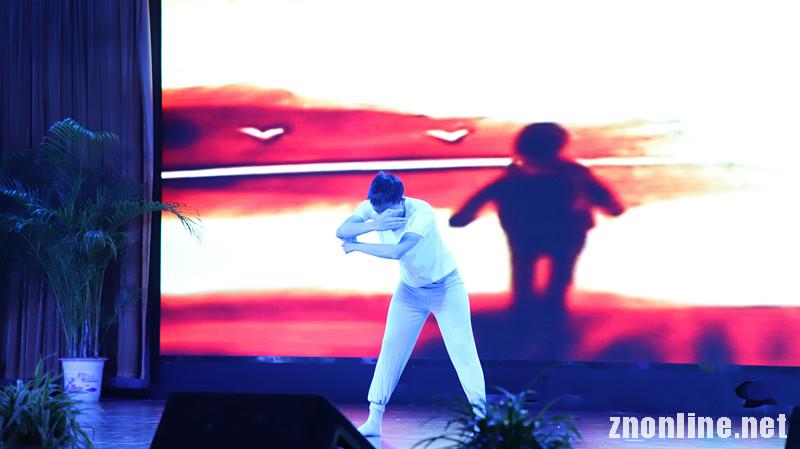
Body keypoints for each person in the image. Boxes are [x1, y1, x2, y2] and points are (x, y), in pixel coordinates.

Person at [337, 171, 486, 437]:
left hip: (446, 287)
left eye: (386, 211)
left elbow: (397, 251)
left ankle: (482, 421)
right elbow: (342, 231)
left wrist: (357, 246)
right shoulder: (374, 208)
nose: (382, 215)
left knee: (463, 351)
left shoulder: (421, 212)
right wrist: (373, 225)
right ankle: (374, 419)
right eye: (376, 210)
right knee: (391, 350)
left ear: (400, 202)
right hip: (410, 292)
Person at [451, 122, 625, 313]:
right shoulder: (572, 173)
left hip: (531, 233)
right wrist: (612, 208)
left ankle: (529, 312)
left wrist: (464, 216)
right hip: (562, 232)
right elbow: (600, 193)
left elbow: (484, 196)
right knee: (555, 276)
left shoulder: (515, 177)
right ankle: (547, 311)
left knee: (529, 275)